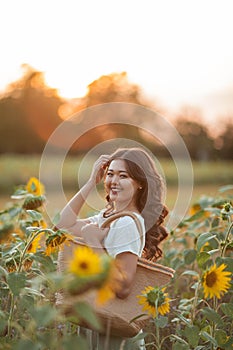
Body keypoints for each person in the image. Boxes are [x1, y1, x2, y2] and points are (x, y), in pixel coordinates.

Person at [57, 147, 169, 350]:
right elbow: (63, 226)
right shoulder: (108, 217)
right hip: (99, 317)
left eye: (123, 175)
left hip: (115, 332)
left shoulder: (126, 223)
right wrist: (92, 181)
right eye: (110, 174)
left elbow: (123, 286)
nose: (113, 181)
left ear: (140, 184)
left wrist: (93, 242)